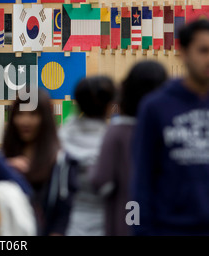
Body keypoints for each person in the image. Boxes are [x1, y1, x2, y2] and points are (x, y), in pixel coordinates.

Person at [132, 19, 209, 235]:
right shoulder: (156, 107)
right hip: (170, 227)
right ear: (183, 52)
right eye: (203, 51)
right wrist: (140, 229)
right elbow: (141, 180)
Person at [91, 61, 168, 236]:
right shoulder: (168, 128)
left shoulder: (118, 131)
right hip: (164, 218)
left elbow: (101, 181)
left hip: (126, 216)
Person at [2, 89, 72, 236]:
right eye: (20, 114)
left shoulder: (60, 161)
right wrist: (5, 168)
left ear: (44, 118)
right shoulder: (5, 159)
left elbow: (63, 212)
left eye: (33, 114)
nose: (25, 121)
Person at [60, 76, 116, 236]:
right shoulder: (113, 141)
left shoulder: (61, 136)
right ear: (110, 105)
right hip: (103, 224)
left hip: (66, 224)